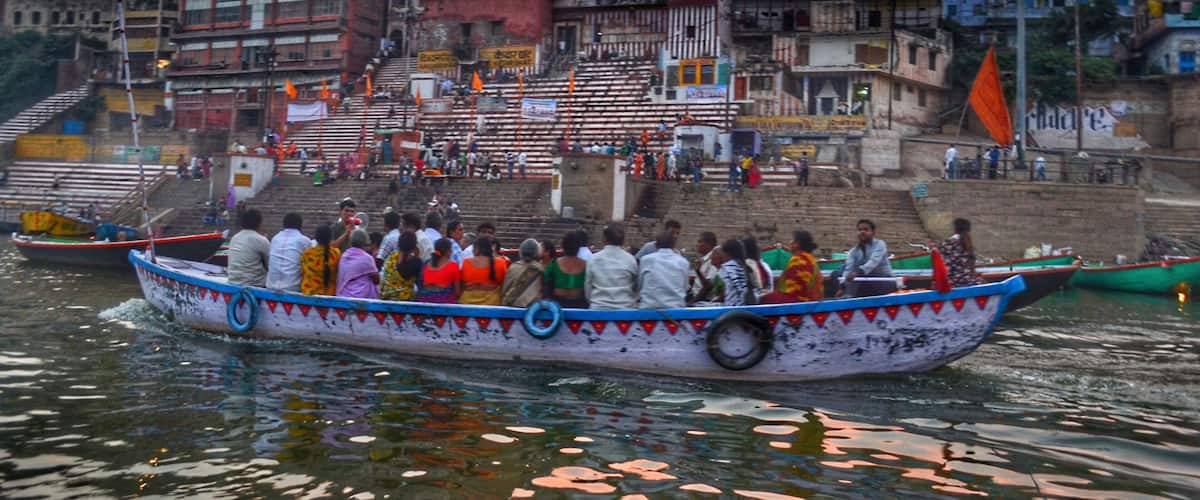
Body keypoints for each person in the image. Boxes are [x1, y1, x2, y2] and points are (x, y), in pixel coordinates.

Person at [585, 223, 638, 309]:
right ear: (622, 240)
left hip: (598, 308)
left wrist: (594, 301)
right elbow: (636, 286)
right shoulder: (630, 259)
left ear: (604, 239)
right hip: (626, 308)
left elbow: (588, 286)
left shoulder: (593, 259)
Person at [761, 231, 822, 304]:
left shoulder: (798, 260)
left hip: (800, 303)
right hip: (812, 302)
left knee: (763, 298)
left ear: (797, 244)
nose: (790, 242)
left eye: (792, 240)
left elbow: (793, 294)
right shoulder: (811, 259)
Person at [841, 219, 896, 297]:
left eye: (866, 229)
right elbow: (848, 269)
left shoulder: (880, 244)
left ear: (873, 233)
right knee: (837, 273)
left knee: (860, 282)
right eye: (860, 230)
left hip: (884, 281)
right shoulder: (854, 251)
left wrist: (857, 273)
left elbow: (873, 262)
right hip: (864, 280)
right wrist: (842, 285)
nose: (862, 232)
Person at [638, 231, 690, 309]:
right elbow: (685, 288)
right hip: (676, 309)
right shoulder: (683, 262)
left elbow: (640, 285)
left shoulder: (646, 260)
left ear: (656, 245)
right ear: (674, 246)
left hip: (648, 308)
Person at [266, 213, 313, 292]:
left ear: (283, 225)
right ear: (300, 226)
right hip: (293, 288)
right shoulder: (305, 241)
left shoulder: (275, 238)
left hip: (270, 286)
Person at [227, 209, 271, 287]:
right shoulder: (261, 240)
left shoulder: (235, 237)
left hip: (232, 281)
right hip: (253, 285)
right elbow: (270, 265)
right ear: (259, 223)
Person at [459, 235, 508, 305]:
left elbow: (462, 286)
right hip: (492, 306)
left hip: (468, 306)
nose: (472, 251)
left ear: (477, 249)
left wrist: (476, 286)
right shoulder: (501, 263)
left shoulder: (466, 262)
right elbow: (504, 287)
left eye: (473, 248)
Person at [544, 231, 589, 308]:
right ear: (578, 248)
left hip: (556, 307)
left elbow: (545, 285)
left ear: (563, 246)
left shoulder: (553, 264)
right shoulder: (587, 265)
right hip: (580, 307)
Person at [335, 230, 380, 299]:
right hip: (363, 299)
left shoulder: (344, 256)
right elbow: (376, 280)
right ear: (365, 241)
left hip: (343, 295)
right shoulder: (367, 258)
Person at [938, 218, 982, 287]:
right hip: (969, 281)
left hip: (954, 282)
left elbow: (944, 266)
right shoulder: (968, 244)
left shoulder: (948, 243)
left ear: (955, 229)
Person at [501, 239, 545, 307]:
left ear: (521, 252)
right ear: (537, 252)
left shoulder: (513, 267)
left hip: (511, 309)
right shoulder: (541, 269)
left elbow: (504, 290)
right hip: (533, 312)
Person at [416, 238, 461, 303]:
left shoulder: (426, 264)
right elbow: (457, 292)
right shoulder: (453, 266)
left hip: (424, 301)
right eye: (451, 249)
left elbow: (420, 285)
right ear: (448, 251)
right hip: (444, 303)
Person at [301, 224, 341, 295]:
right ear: (330, 238)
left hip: (309, 295)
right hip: (329, 297)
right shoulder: (336, 254)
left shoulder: (307, 254)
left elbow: (303, 274)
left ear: (316, 238)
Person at [380, 232, 422, 300]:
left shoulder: (391, 258)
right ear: (414, 245)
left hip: (386, 298)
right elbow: (404, 273)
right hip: (405, 302)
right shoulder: (416, 262)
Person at [713, 239, 755, 306]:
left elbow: (720, 292)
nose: (721, 257)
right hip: (750, 305)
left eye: (722, 253)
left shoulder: (726, 267)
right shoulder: (748, 267)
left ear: (727, 253)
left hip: (732, 308)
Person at [688, 231, 719, 303]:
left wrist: (691, 302)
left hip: (702, 300)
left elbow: (708, 287)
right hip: (694, 295)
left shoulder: (714, 259)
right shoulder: (702, 259)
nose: (697, 245)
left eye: (700, 242)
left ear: (709, 244)